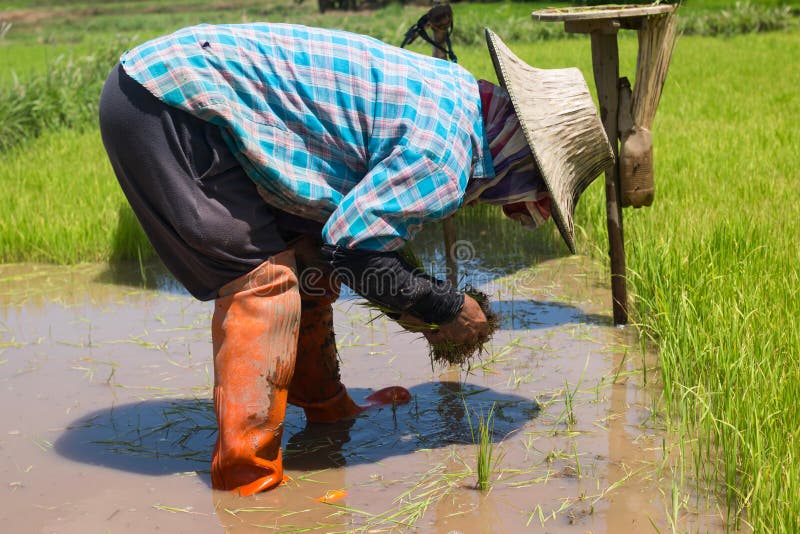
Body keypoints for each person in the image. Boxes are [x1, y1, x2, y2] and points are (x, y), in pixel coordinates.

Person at [98, 22, 613, 496]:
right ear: (524, 160)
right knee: (265, 286)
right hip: (168, 105)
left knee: (310, 270)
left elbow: (338, 245)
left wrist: (421, 303)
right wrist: (445, 308)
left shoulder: (461, 98)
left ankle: (326, 410)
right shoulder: (445, 154)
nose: (518, 212)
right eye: (533, 192)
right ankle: (247, 482)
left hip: (170, 88)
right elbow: (354, 249)